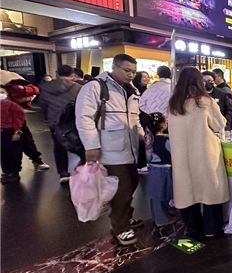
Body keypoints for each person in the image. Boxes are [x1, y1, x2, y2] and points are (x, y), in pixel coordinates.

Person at [76, 54, 145, 246]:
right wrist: (91, 146)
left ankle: (124, 217)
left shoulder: (132, 90)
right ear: (114, 67)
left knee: (131, 184)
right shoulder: (96, 87)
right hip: (109, 150)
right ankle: (120, 227)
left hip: (130, 149)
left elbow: (135, 118)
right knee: (122, 189)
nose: (131, 74)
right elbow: (84, 118)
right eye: (127, 70)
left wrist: (143, 137)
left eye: (134, 71)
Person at [168, 67, 230, 241]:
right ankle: (211, 228)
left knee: (187, 191)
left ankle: (193, 228)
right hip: (204, 153)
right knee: (210, 190)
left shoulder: (174, 102)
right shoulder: (205, 101)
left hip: (181, 156)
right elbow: (219, 124)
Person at [38, 65, 81, 184]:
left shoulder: (45, 87)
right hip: (72, 121)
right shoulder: (78, 88)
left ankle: (63, 173)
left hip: (54, 121)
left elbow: (43, 104)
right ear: (73, 75)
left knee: (58, 146)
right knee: (79, 144)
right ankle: (82, 169)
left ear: (57, 74)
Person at [145, 112, 177, 227]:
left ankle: (159, 216)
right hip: (164, 171)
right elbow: (174, 154)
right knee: (162, 195)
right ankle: (161, 220)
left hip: (153, 170)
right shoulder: (165, 141)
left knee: (156, 196)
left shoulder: (148, 139)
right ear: (163, 125)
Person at [1, 87, 25, 184]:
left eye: (2, 92)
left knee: (13, 153)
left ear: (7, 94)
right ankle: (6, 171)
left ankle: (14, 172)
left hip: (10, 131)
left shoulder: (13, 106)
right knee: (3, 153)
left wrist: (17, 131)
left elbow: (18, 119)